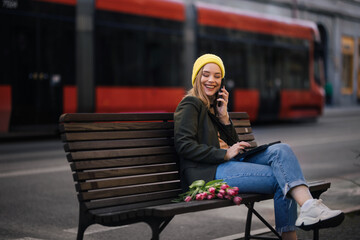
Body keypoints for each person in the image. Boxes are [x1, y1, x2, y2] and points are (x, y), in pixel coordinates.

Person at [174, 53, 344, 240]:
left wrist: (225, 118)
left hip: (225, 165)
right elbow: (184, 145)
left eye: (217, 76)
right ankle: (305, 215)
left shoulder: (214, 107)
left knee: (282, 150)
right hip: (209, 173)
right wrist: (223, 155)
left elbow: (233, 144)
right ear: (197, 76)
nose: (211, 80)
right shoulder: (190, 104)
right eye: (206, 74)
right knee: (284, 178)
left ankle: (309, 208)